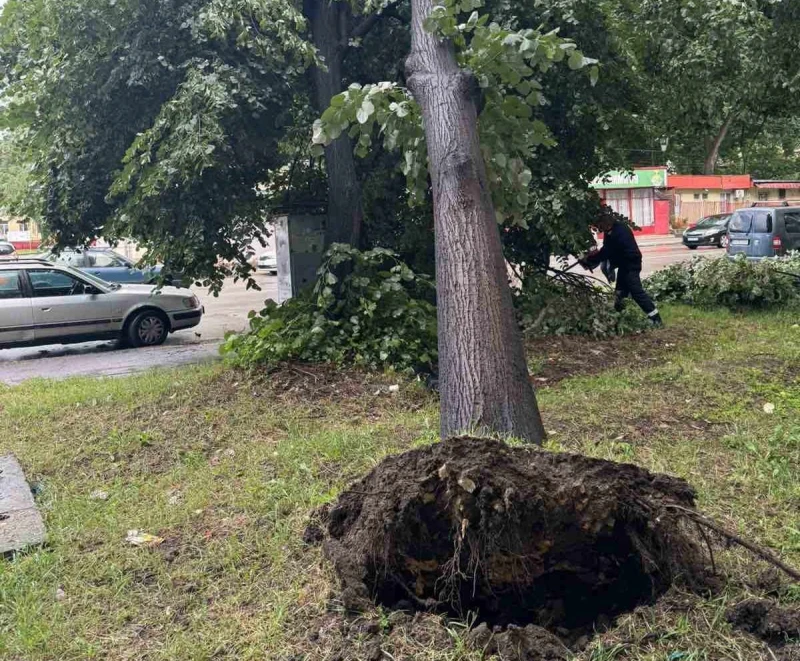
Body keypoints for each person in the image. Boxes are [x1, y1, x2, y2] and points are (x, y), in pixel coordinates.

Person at [580, 215, 663, 327]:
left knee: (636, 292)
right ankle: (619, 316)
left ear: (606, 224)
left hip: (631, 264)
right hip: (624, 265)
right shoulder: (612, 230)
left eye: (600, 226)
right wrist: (591, 260)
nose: (599, 229)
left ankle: (656, 319)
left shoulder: (618, 232)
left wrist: (589, 260)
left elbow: (606, 251)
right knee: (620, 292)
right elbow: (606, 249)